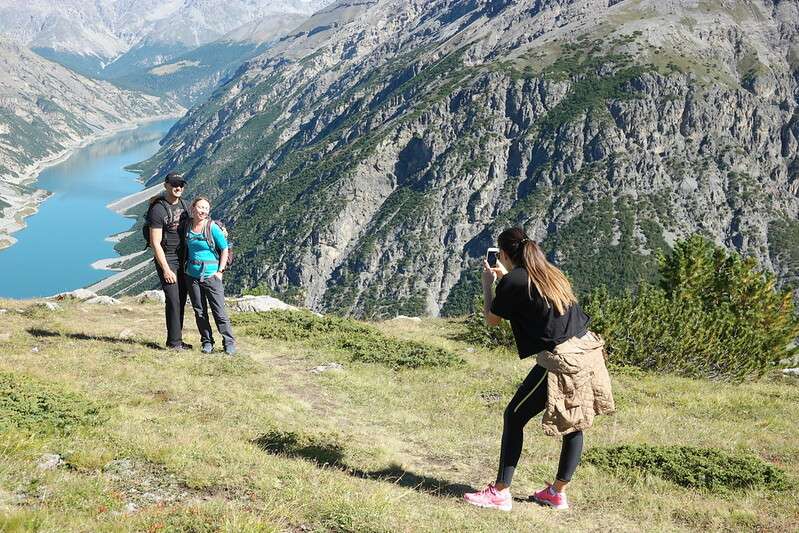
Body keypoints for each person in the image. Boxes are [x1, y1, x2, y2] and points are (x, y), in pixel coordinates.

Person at [463, 227, 614, 512]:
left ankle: (500, 492)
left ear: (504, 255)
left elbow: (493, 319)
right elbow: (530, 293)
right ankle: (557, 493)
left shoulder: (514, 282)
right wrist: (505, 280)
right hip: (587, 351)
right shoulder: (549, 272)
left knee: (514, 415)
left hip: (562, 360)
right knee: (574, 422)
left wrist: (488, 284)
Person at [184, 196, 237, 355]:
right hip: (192, 275)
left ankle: (229, 342)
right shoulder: (187, 226)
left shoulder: (212, 227)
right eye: (200, 207)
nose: (203, 211)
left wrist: (220, 272)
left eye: (206, 208)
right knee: (199, 311)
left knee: (219, 311)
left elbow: (225, 248)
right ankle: (207, 342)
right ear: (193, 208)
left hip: (211, 276)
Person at [148, 172, 191, 350]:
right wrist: (165, 268)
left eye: (180, 184)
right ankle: (174, 343)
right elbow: (155, 243)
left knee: (181, 298)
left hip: (184, 258)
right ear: (166, 185)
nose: (178, 187)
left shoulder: (185, 205)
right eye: (174, 183)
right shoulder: (158, 209)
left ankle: (176, 340)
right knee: (173, 299)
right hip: (168, 258)